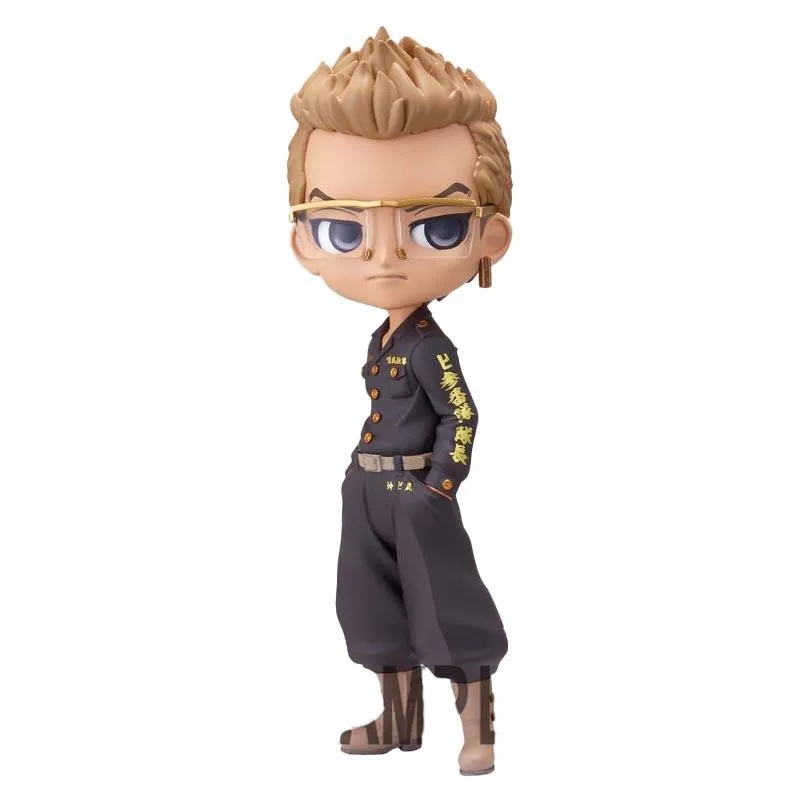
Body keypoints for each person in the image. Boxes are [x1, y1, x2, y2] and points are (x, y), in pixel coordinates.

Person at [287, 27, 513, 776]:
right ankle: (398, 720)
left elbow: (461, 413)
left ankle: (477, 732)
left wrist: (438, 485)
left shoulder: (428, 347)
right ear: (304, 242)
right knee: (372, 607)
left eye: (434, 227)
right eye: (342, 228)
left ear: (490, 237)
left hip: (417, 491)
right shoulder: (384, 339)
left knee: (448, 607)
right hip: (368, 488)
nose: (385, 255)